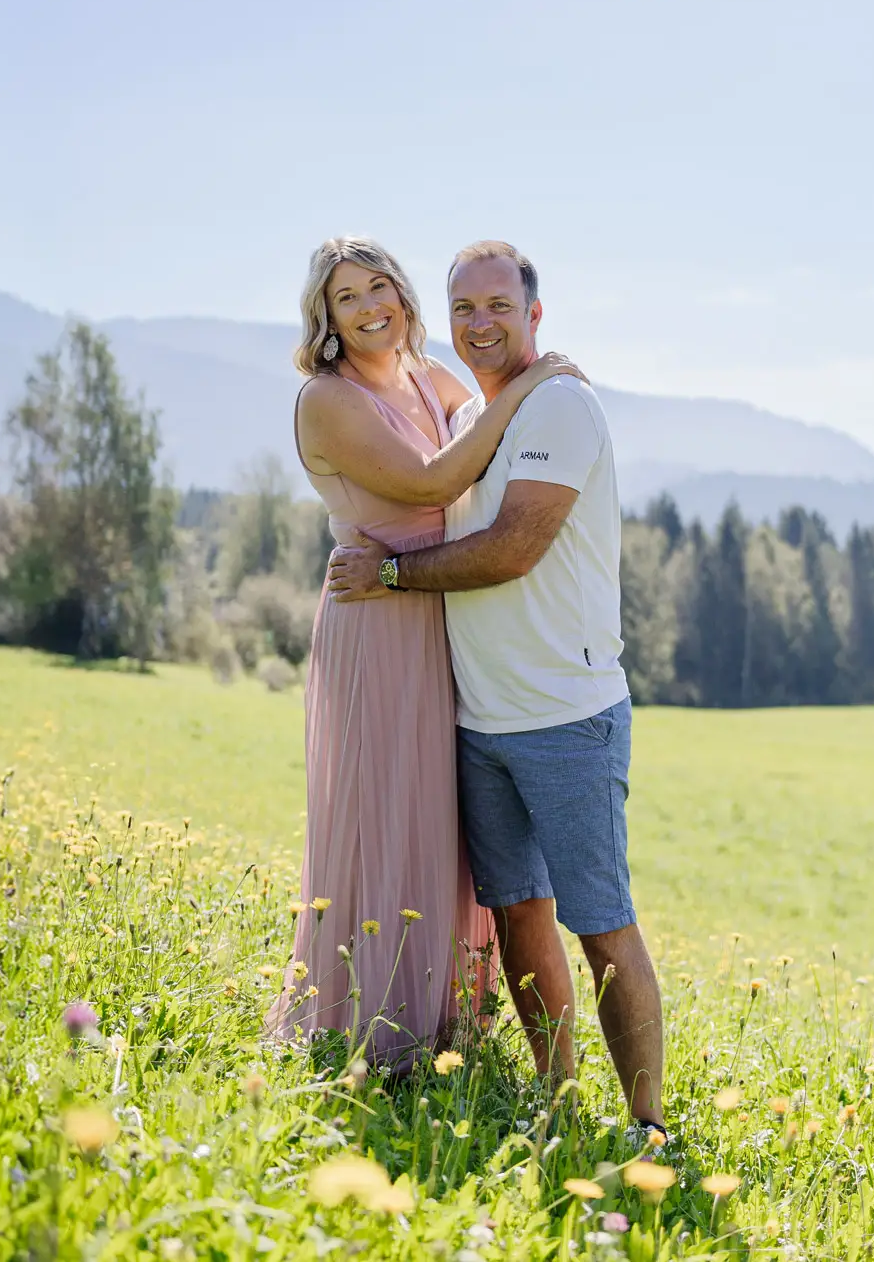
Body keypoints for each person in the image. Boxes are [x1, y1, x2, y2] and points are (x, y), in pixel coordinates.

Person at [328, 240, 666, 1133]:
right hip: (480, 722)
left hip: (566, 718)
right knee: (518, 919)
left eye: (499, 307)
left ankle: (649, 1125)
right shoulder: (472, 417)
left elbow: (513, 548)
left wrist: (391, 576)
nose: (480, 325)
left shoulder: (560, 405)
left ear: (534, 316)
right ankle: (560, 1105)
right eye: (464, 309)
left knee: (602, 923)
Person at [265, 236, 583, 1069]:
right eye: (346, 298)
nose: (369, 307)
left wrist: (532, 395)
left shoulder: (422, 375)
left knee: (441, 818)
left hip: (437, 610)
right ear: (326, 318)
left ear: (402, 295)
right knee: (386, 810)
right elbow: (436, 481)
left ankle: (446, 1019)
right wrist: (533, 385)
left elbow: (481, 427)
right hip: (377, 616)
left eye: (379, 288)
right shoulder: (326, 399)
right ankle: (371, 1022)